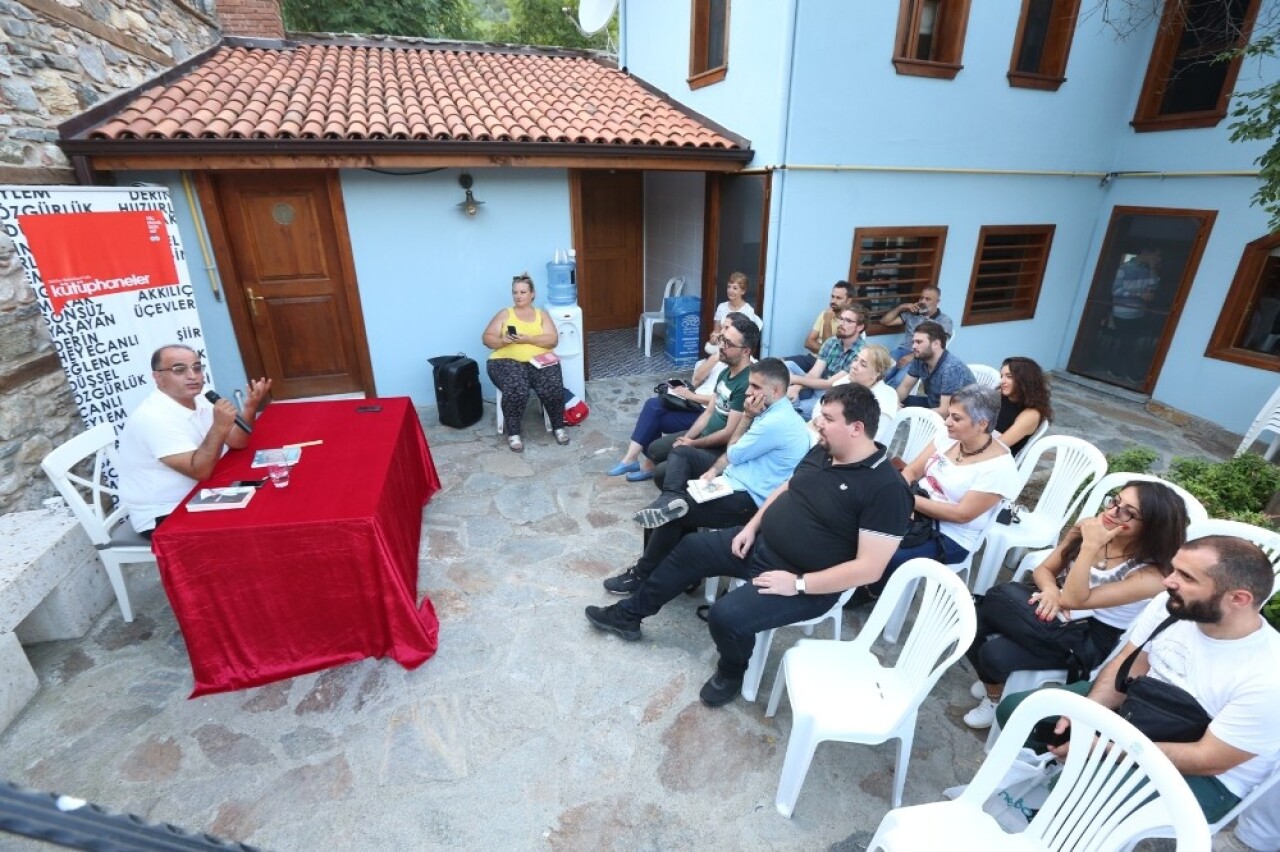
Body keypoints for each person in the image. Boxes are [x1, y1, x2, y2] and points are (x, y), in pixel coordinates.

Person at [584, 383, 913, 707]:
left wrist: (798, 584)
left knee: (726, 616)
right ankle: (627, 616)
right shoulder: (825, 450)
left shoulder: (886, 490)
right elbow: (787, 487)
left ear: (856, 428)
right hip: (761, 546)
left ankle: (731, 671)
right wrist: (752, 527)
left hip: (806, 583)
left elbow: (869, 569)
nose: (818, 424)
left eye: (827, 418)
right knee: (691, 549)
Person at [1035, 536, 1280, 825]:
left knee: (1084, 790)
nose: (1168, 582)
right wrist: (1088, 715)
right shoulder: (1173, 605)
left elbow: (1208, 759)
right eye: (1174, 569)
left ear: (1238, 598)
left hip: (1208, 777)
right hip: (1144, 710)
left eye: (1186, 577)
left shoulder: (1268, 677)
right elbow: (1128, 667)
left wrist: (1101, 748)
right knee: (1027, 713)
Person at [961, 480, 1189, 729]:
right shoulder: (1093, 529)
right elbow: (1045, 569)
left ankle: (994, 696)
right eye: (1115, 501)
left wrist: (1090, 546)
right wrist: (1050, 589)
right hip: (1051, 610)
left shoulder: (1150, 576)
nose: (1113, 512)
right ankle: (991, 682)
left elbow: (1074, 599)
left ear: (1152, 529)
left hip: (1085, 638)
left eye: (1128, 513)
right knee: (972, 621)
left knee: (993, 645)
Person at [601, 359, 809, 595]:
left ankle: (641, 575)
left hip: (747, 499)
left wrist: (747, 418)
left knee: (671, 515)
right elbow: (735, 455)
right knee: (680, 453)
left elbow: (732, 451)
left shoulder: (773, 421)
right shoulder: (773, 409)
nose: (750, 392)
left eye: (756, 387)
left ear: (776, 391)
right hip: (736, 476)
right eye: (750, 385)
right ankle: (670, 499)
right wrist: (713, 469)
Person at [857, 384, 1020, 605]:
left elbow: (962, 515)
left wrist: (909, 501)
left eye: (956, 418)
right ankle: (858, 577)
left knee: (890, 551)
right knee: (859, 518)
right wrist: (902, 500)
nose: (947, 422)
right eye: (949, 415)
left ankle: (871, 592)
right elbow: (912, 470)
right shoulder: (948, 436)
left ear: (982, 424)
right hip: (918, 506)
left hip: (951, 535)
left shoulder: (999, 467)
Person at [118, 344, 272, 537]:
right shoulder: (154, 417)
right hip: (165, 513)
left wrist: (250, 407)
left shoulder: (201, 396)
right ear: (158, 377)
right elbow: (200, 471)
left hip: (201, 492)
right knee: (251, 526)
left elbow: (237, 442)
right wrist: (219, 426)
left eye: (197, 368)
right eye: (179, 370)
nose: (193, 376)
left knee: (269, 500)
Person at [637, 312, 758, 486]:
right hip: (704, 434)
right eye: (723, 339)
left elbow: (728, 433)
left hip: (718, 448)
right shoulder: (726, 372)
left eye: (729, 343)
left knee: (662, 474)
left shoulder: (747, 383)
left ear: (746, 351)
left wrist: (693, 444)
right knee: (655, 450)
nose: (722, 346)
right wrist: (687, 438)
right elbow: (709, 413)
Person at [609, 319, 730, 478]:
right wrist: (715, 358)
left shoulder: (741, 370)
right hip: (693, 405)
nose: (721, 333)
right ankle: (632, 459)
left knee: (654, 415)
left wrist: (692, 396)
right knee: (653, 405)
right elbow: (696, 379)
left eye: (726, 329)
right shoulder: (721, 357)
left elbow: (719, 402)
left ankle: (645, 464)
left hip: (704, 413)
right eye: (722, 328)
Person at [482, 273, 569, 452]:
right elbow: (487, 338)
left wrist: (528, 338)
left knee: (552, 384)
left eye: (523, 292)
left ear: (533, 294)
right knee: (517, 387)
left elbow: (552, 340)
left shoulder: (541, 314)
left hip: (538, 361)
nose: (518, 296)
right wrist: (503, 341)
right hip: (506, 360)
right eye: (515, 292)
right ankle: (514, 433)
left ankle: (558, 427)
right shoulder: (505, 314)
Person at [804, 342, 898, 445]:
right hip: (820, 431)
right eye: (856, 359)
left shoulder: (884, 401)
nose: (854, 366)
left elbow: (871, 441)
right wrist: (818, 418)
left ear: (876, 374)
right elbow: (821, 405)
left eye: (863, 364)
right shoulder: (846, 380)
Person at [784, 304, 867, 419]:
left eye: (848, 321)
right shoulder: (832, 342)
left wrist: (794, 379)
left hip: (834, 397)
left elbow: (830, 384)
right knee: (787, 365)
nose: (841, 323)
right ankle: (789, 399)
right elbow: (814, 373)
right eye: (841, 319)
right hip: (819, 385)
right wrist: (797, 387)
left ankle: (793, 407)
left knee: (792, 410)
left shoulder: (861, 353)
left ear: (860, 327)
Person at [896, 320, 975, 417]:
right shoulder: (920, 359)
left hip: (959, 416)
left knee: (906, 411)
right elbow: (905, 386)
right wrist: (894, 404)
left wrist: (906, 412)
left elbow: (945, 411)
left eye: (919, 342)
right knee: (895, 401)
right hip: (933, 404)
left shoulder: (951, 368)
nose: (914, 346)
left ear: (936, 344)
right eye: (913, 342)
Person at [880, 286, 954, 387]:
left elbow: (940, 345)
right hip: (902, 351)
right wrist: (902, 307)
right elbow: (885, 321)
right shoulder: (912, 315)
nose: (923, 301)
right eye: (921, 298)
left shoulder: (944, 320)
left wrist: (911, 356)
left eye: (927, 299)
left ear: (937, 302)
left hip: (922, 357)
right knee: (880, 373)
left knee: (898, 382)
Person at [1109, 248, 1161, 382]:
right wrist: (1138, 295)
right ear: (1145, 252)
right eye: (1156, 255)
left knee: (1130, 343)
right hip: (1123, 312)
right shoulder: (1124, 268)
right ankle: (1128, 372)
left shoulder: (1148, 270)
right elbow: (1115, 290)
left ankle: (1117, 370)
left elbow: (1154, 285)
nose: (1158, 258)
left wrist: (1153, 268)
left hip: (1139, 313)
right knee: (1127, 343)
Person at [994, 356, 1053, 457]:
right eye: (1002, 376)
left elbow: (997, 447)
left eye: (1009, 376)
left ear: (1024, 380)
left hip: (996, 458)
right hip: (980, 446)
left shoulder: (1031, 414)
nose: (1002, 381)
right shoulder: (1001, 396)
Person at [705, 271, 763, 355]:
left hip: (738, 349)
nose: (730, 291)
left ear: (742, 291)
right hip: (722, 345)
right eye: (729, 287)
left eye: (735, 288)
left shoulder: (748, 311)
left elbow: (747, 339)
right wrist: (713, 338)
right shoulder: (721, 307)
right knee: (708, 348)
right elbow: (716, 331)